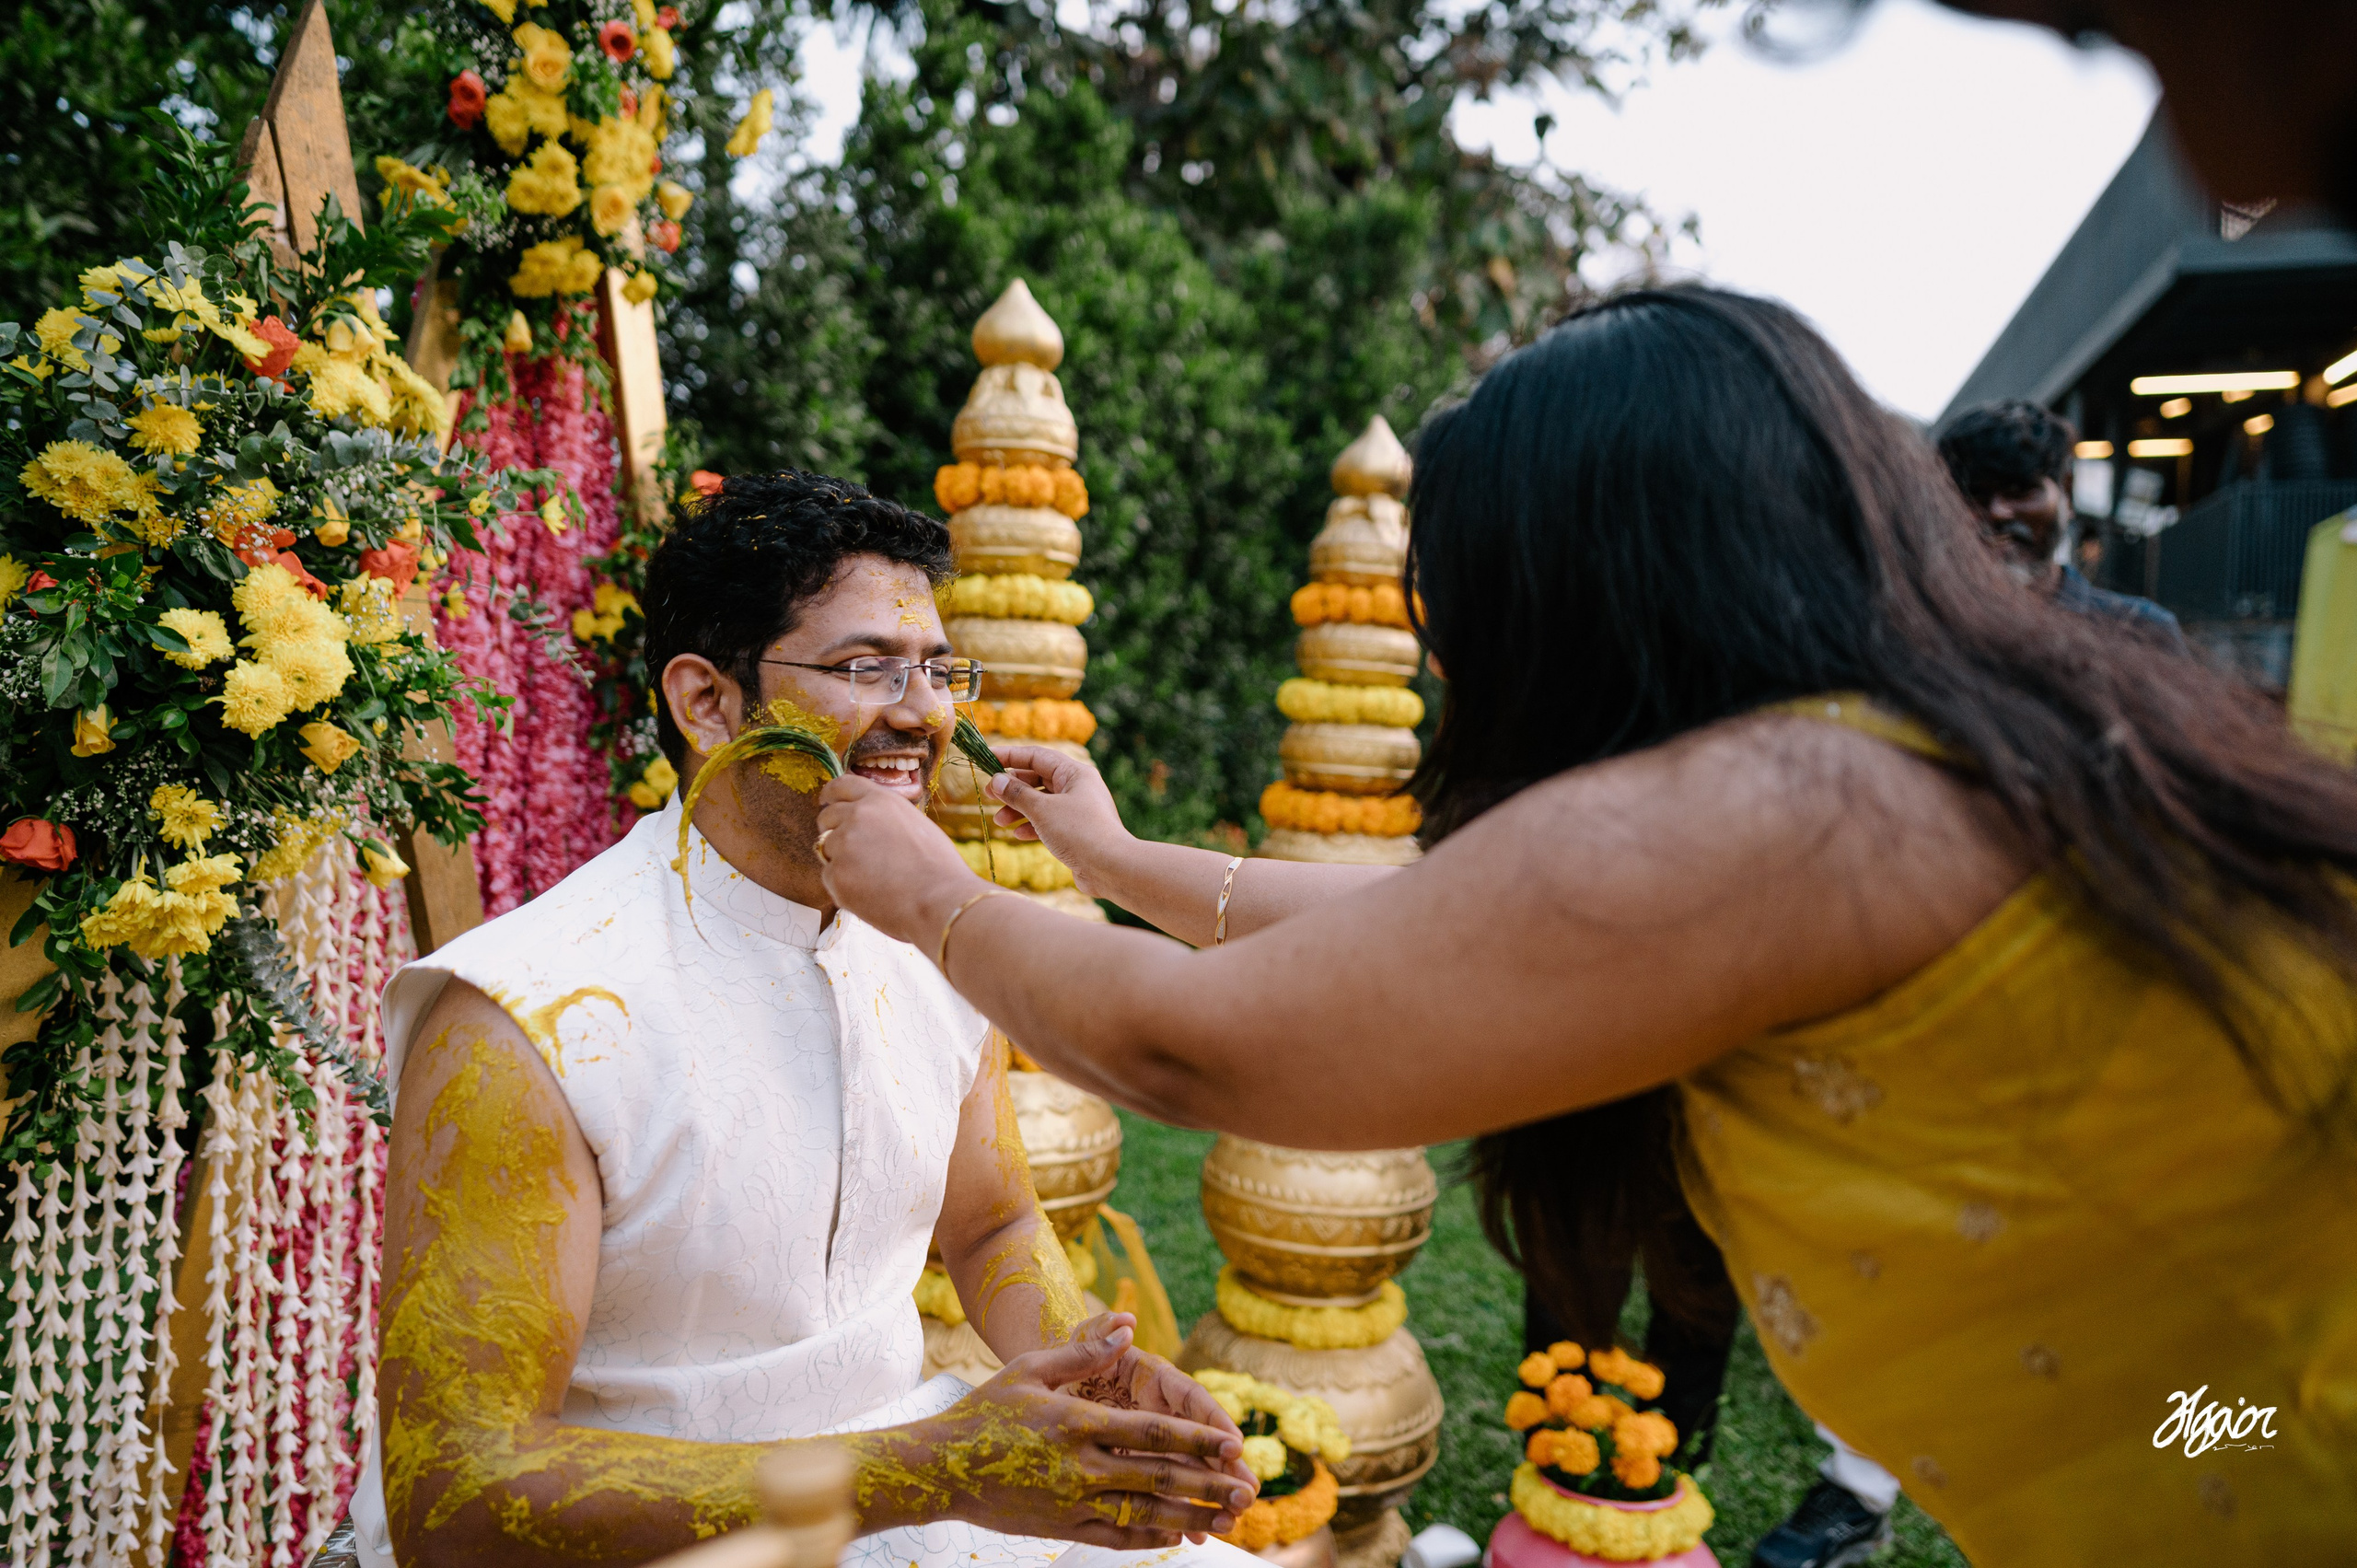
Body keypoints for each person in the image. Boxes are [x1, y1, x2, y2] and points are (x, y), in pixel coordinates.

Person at [810, 287, 2357, 1564]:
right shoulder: (1874, 761)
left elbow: (1194, 1050)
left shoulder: (1795, 802)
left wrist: (931, 894)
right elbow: (1421, 918)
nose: (1444, 656)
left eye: (1456, 600)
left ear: (1575, 590)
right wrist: (1114, 853)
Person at [347, 471, 1260, 1568]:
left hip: (905, 1485)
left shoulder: (935, 933)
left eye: (937, 669)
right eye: (865, 667)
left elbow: (993, 1221)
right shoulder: (523, 1019)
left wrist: (1089, 1373)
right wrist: (934, 1468)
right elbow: (454, 1497)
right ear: (706, 702)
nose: (923, 712)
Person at [1934, 400, 2184, 648]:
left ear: (2067, 491)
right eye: (1975, 495)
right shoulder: (1931, 631)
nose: (1998, 513)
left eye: (2019, 491)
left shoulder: (2141, 631)